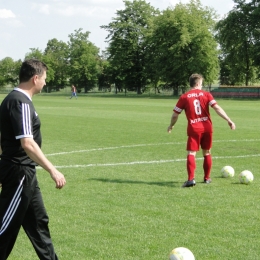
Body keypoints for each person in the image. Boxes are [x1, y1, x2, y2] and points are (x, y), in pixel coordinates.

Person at [0, 59, 66, 259]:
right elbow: (27, 143)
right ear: (35, 78)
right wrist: (53, 170)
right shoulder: (20, 102)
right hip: (19, 173)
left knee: (38, 223)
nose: (45, 83)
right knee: (5, 229)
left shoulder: (14, 100)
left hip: (25, 174)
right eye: (44, 79)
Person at [167, 73, 235, 187]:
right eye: (202, 84)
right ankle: (207, 178)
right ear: (198, 83)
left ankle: (191, 179)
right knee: (207, 152)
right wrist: (228, 119)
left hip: (194, 128)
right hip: (207, 128)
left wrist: (171, 125)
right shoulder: (206, 95)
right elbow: (217, 108)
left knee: (191, 153)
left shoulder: (184, 97)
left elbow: (175, 115)